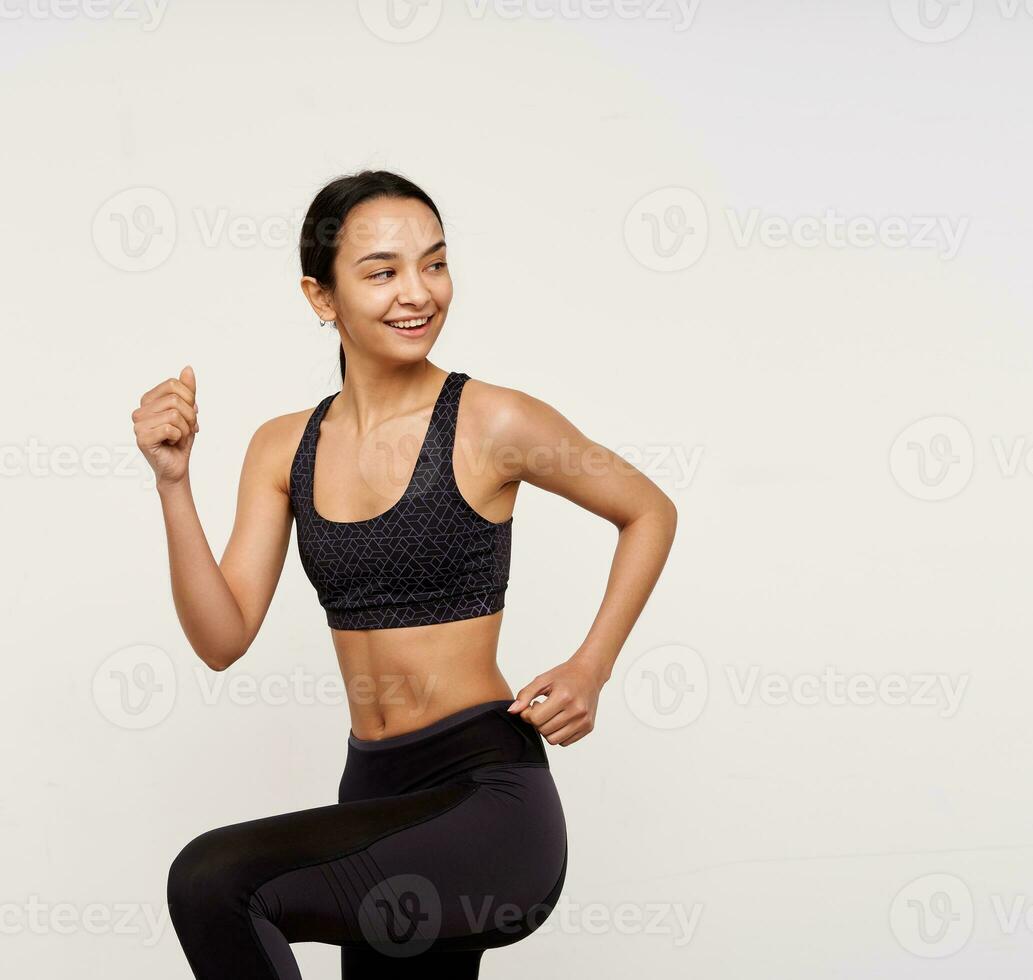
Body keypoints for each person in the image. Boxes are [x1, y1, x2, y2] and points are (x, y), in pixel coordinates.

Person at [134, 170, 678, 979]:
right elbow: (222, 638)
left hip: (486, 799)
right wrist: (173, 484)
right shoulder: (283, 447)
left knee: (214, 880)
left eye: (435, 263)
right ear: (322, 298)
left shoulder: (493, 421)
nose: (417, 293)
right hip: (376, 793)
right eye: (382, 272)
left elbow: (648, 510)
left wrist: (590, 666)